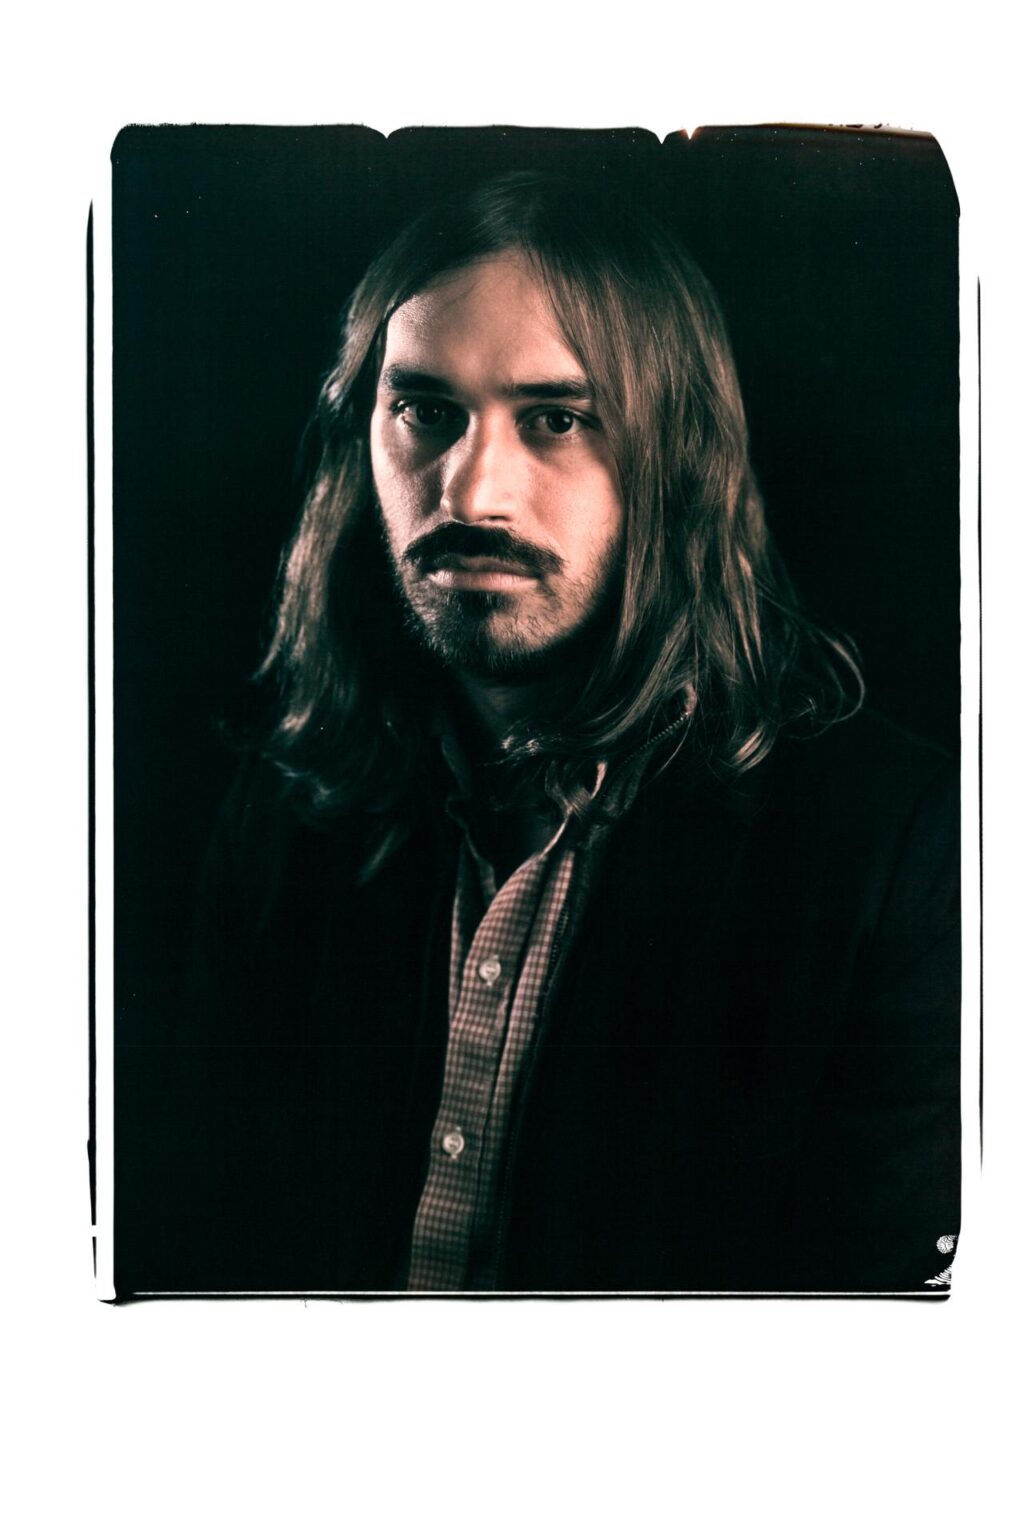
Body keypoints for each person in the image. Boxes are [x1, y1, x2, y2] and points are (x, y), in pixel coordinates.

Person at [174, 172, 959, 1296]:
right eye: (425, 412)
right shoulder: (286, 810)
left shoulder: (901, 854)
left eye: (556, 419)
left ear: (676, 454)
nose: (471, 493)